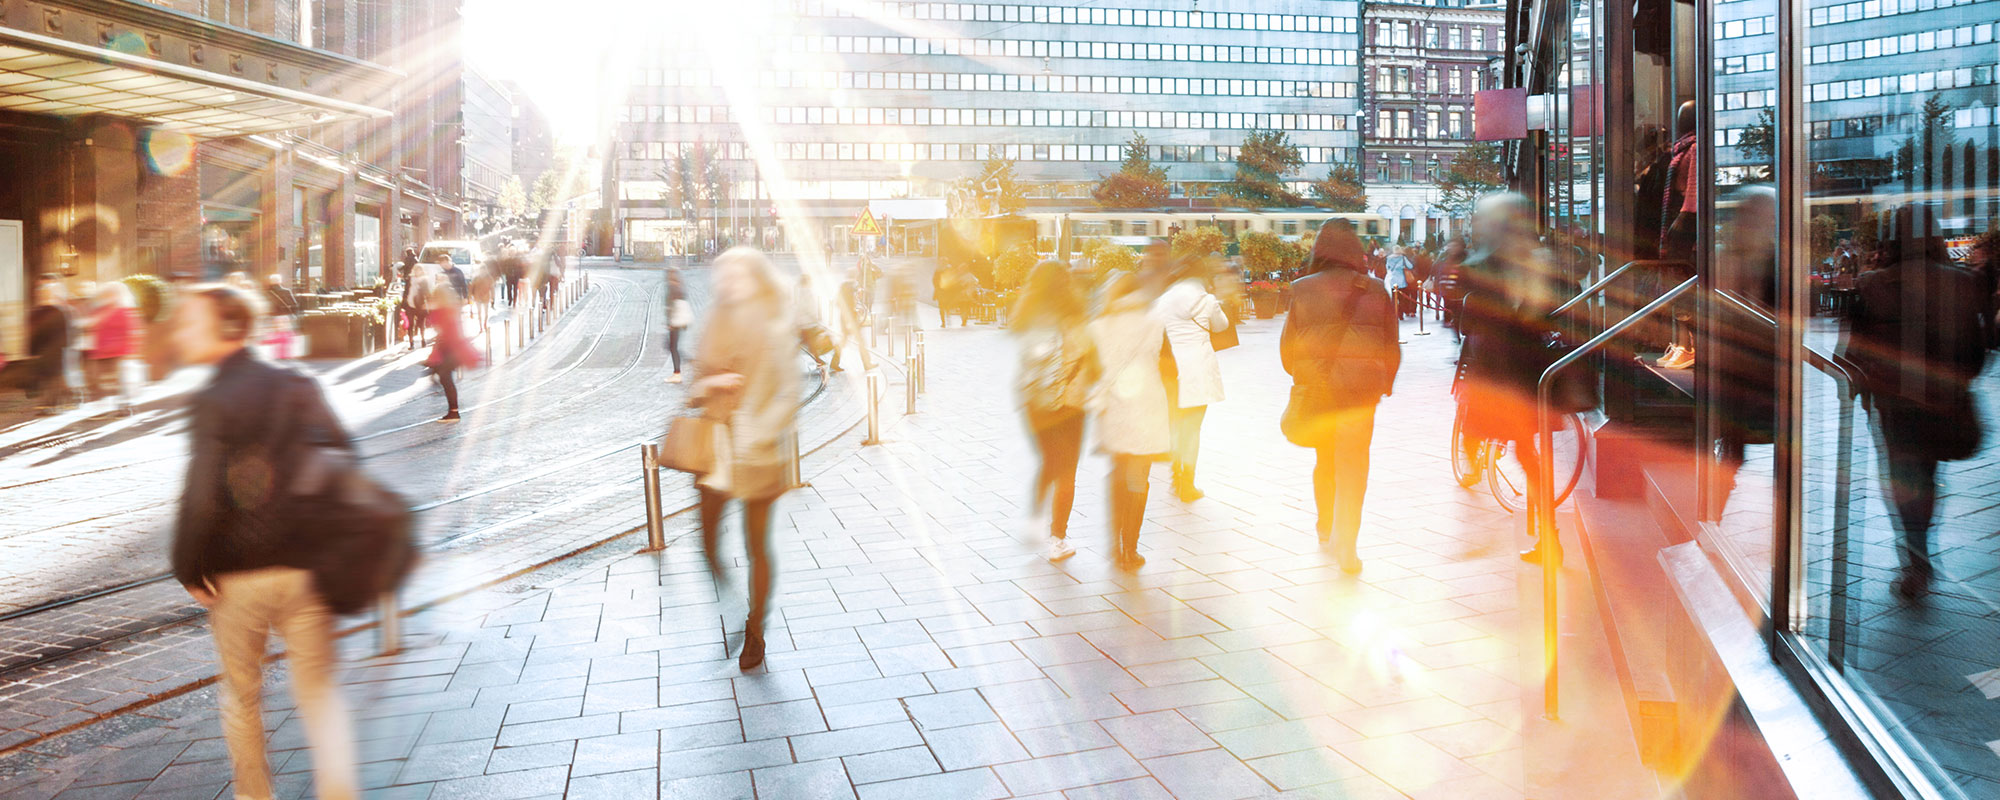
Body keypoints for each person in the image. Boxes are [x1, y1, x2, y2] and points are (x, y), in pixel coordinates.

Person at [169, 285, 357, 800]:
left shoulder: (214, 398)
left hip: (240, 574)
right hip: (306, 568)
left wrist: (188, 566)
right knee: (319, 692)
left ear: (226, 329)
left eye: (191, 322)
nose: (180, 331)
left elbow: (203, 490)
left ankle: (255, 796)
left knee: (242, 696)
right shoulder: (297, 383)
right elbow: (343, 461)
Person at [1840, 205, 1990, 600]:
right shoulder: (1961, 282)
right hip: (1940, 400)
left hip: (1893, 403)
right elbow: (1978, 352)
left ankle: (1915, 559)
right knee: (1928, 474)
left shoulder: (1870, 283)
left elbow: (1848, 354)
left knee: (1903, 477)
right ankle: (1921, 551)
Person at [687, 247, 799, 669]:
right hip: (715, 448)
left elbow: (788, 392)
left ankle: (755, 630)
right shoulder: (716, 319)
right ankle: (737, 609)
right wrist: (714, 380)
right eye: (723, 274)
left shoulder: (775, 321)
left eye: (737, 274)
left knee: (757, 547)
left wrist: (761, 432)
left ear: (756, 277)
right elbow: (695, 385)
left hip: (759, 452)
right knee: (707, 547)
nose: (728, 281)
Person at [1281, 221, 1401, 573]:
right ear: (1355, 250)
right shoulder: (1377, 290)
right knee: (1354, 468)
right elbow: (1392, 346)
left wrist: (1306, 375)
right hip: (1361, 396)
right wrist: (1383, 385)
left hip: (1320, 392)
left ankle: (1325, 528)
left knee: (1325, 461)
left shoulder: (1301, 289)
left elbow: (1288, 351)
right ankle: (1347, 546)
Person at [1456, 193, 1568, 563]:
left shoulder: (1488, 262)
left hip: (1502, 372)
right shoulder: (1539, 259)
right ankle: (1547, 537)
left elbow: (1471, 313)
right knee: (1529, 453)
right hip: (1533, 371)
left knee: (1515, 446)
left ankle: (1549, 540)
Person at [1012, 261, 1098, 562]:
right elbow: (1093, 363)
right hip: (1069, 404)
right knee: (1066, 471)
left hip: (1033, 404)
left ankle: (1034, 521)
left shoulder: (1027, 318)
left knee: (1049, 462)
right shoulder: (1077, 318)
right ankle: (1057, 538)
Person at [1707, 187, 1780, 524]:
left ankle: (1714, 517)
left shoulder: (1776, 262)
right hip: (1736, 368)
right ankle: (1712, 517)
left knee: (1744, 447)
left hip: (1763, 369)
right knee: (1732, 449)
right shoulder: (1728, 257)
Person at [1088, 273, 1169, 570]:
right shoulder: (1154, 322)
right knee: (1138, 479)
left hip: (1113, 410)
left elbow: (1092, 371)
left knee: (1117, 475)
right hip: (1146, 409)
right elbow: (1168, 365)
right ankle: (1130, 549)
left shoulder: (1096, 326)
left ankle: (1114, 543)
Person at [1150, 256, 1229, 502]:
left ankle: (1176, 475)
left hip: (1172, 370)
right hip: (1198, 371)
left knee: (1175, 424)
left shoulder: (1162, 301)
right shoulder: (1207, 300)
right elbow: (1222, 326)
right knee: (1192, 429)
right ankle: (1188, 483)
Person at [425, 277, 480, 422]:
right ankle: (453, 411)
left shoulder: (442, 310)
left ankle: (454, 412)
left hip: (448, 348)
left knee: (445, 378)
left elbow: (434, 324)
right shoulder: (452, 308)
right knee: (445, 377)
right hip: (453, 347)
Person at [84, 282, 140, 406]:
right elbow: (92, 327)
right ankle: (101, 405)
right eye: (108, 294)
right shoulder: (99, 310)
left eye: (113, 294)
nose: (110, 296)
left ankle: (125, 405)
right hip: (101, 352)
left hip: (119, 352)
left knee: (121, 382)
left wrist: (132, 352)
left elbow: (132, 331)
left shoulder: (125, 311)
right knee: (100, 382)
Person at [28, 280, 74, 415]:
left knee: (54, 378)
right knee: (46, 378)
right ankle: (48, 404)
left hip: (56, 352)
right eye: (43, 293)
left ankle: (51, 404)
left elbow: (67, 332)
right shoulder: (36, 312)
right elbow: (32, 333)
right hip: (43, 351)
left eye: (47, 293)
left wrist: (64, 348)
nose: (44, 295)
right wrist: (32, 351)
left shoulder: (60, 311)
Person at [664, 267, 690, 383]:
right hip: (678, 321)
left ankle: (677, 373)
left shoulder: (672, 287)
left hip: (674, 322)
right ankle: (681, 366)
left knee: (672, 347)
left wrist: (670, 322)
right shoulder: (679, 286)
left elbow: (671, 306)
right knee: (671, 346)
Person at [1384, 246, 1414, 319]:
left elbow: (1387, 267)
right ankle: (1400, 315)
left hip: (1393, 280)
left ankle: (1395, 313)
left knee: (1394, 298)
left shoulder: (1389, 258)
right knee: (1402, 299)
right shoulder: (1403, 258)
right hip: (1402, 281)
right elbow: (1410, 266)